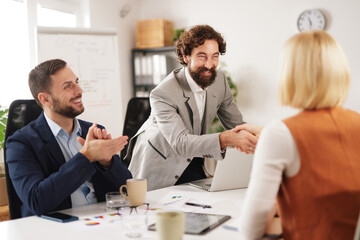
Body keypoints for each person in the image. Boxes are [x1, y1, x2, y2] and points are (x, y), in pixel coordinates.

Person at [238, 30, 360, 239]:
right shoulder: (356, 121)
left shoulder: (279, 135)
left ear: (290, 75)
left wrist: (272, 139)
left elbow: (251, 231)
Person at [126, 24, 261, 191]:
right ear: (186, 56)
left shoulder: (219, 82)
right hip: (160, 166)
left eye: (215, 56)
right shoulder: (162, 93)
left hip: (193, 160)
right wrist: (227, 139)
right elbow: (181, 143)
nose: (209, 65)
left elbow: (237, 126)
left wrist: (256, 140)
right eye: (202, 56)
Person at [6, 59, 132, 217]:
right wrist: (86, 157)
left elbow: (127, 188)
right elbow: (36, 201)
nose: (79, 90)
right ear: (45, 99)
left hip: (102, 223)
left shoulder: (93, 132)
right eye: (67, 86)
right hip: (57, 230)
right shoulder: (20, 144)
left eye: (76, 82)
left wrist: (107, 162)